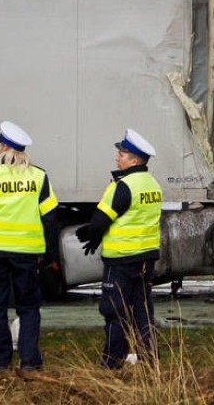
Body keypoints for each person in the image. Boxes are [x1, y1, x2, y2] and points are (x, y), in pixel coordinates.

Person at [0, 121, 58, 371]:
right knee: (28, 307)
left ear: (5, 147)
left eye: (0, 144)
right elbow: (50, 219)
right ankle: (29, 362)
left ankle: (1, 363)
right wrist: (51, 255)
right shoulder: (39, 177)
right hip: (27, 253)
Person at [76, 128, 163, 369]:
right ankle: (150, 359)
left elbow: (102, 219)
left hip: (121, 260)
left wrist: (88, 233)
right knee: (143, 311)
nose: (117, 158)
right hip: (146, 258)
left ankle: (112, 362)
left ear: (134, 160)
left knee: (115, 311)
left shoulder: (124, 186)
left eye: (122, 155)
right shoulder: (151, 184)